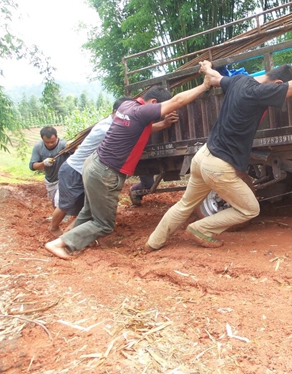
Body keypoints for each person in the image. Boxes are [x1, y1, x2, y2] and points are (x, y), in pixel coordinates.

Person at [144, 37, 292, 252]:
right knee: (250, 210)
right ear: (278, 84)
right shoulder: (260, 92)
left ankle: (153, 243)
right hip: (219, 166)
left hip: (202, 156)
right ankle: (201, 228)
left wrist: (206, 68)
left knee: (185, 204)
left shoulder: (239, 81)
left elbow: (215, 78)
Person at [44, 79, 209, 259]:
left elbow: (139, 128)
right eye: (159, 111)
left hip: (93, 165)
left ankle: (67, 242)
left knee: (88, 212)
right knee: (104, 224)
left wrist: (162, 124)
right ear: (153, 102)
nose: (159, 115)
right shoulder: (141, 112)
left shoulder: (127, 106)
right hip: (105, 173)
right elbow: (178, 101)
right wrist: (205, 85)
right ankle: (58, 244)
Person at [47, 98, 178, 236]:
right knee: (66, 204)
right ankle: (54, 228)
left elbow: (137, 129)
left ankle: (71, 234)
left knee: (89, 206)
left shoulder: (116, 124)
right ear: (116, 112)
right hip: (74, 169)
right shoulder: (107, 128)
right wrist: (163, 124)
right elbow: (136, 131)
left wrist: (163, 124)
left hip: (88, 169)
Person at [29, 126, 68, 207]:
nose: (50, 144)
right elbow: (33, 166)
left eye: (53, 141)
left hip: (65, 179)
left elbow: (75, 152)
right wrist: (43, 163)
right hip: (51, 181)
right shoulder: (38, 147)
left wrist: (73, 147)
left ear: (57, 137)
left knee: (61, 201)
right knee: (54, 202)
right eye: (47, 142)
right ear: (42, 139)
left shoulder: (64, 145)